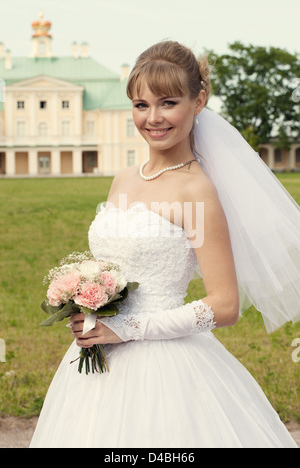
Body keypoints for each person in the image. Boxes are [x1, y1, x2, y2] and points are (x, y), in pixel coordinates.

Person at [30, 41, 300, 448]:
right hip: (98, 362)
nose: (152, 118)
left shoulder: (196, 190)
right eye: (141, 105)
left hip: (166, 365)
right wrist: (87, 306)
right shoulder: (123, 178)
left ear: (199, 101)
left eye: (168, 103)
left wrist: (128, 329)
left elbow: (225, 305)